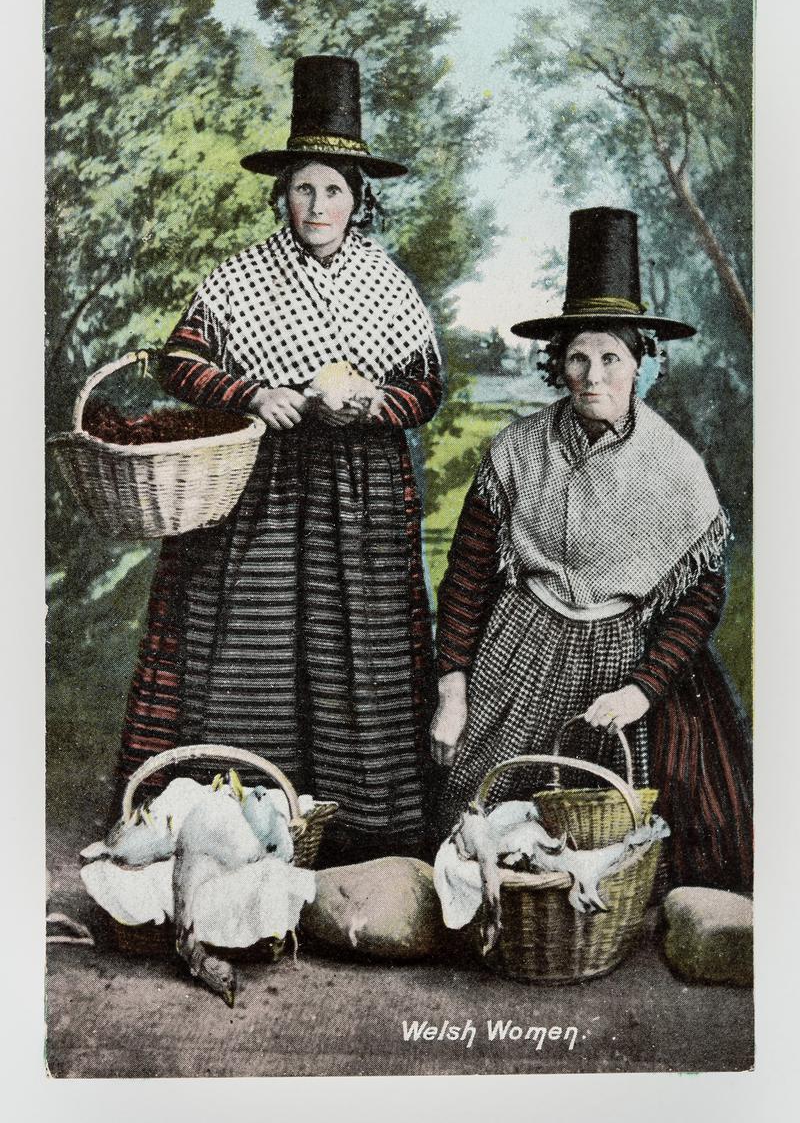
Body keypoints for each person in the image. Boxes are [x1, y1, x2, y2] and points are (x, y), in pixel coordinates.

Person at [117, 56, 442, 864]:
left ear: (358, 198)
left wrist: (371, 402)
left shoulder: (387, 285)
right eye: (304, 188)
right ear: (281, 195)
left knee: (355, 652)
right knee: (248, 645)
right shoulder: (239, 279)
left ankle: (357, 834)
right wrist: (252, 391)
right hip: (260, 490)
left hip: (360, 497)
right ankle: (236, 831)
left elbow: (428, 385)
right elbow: (178, 363)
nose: (318, 205)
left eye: (334, 189)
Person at [430, 207, 752, 894]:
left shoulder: (674, 466)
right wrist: (453, 689)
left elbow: (701, 594)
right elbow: (465, 578)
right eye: (577, 356)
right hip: (521, 649)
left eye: (611, 357)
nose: (592, 374)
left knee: (646, 821)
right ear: (558, 364)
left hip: (628, 657)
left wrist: (642, 690)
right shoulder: (516, 451)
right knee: (479, 810)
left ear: (639, 364)